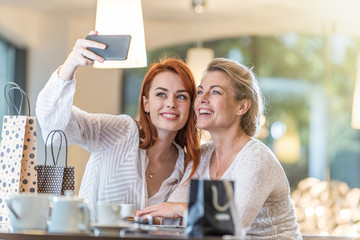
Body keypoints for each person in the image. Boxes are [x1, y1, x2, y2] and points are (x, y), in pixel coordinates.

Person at [35, 31, 200, 221]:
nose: (171, 103)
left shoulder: (188, 167)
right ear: (146, 104)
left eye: (181, 96)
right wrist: (71, 64)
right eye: (161, 94)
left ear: (190, 106)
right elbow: (54, 127)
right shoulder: (121, 131)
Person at [137, 58, 302, 239]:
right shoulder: (202, 155)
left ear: (242, 106)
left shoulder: (256, 159)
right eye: (200, 92)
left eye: (215, 92)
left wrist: (182, 209)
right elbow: (171, 219)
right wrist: (184, 212)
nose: (202, 99)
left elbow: (230, 225)